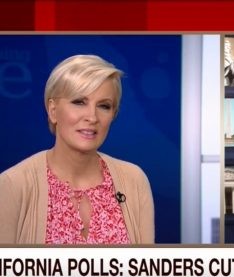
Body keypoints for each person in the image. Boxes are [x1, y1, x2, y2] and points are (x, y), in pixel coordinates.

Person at [0, 55, 154, 244]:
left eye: (104, 106)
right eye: (79, 102)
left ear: (113, 114)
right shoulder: (13, 184)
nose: (92, 117)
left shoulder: (134, 180)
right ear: (53, 110)